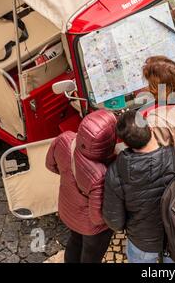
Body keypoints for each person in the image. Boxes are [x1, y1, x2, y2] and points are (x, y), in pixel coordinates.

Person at [103, 111, 175, 263]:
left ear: (126, 143)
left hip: (143, 243)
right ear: (151, 128)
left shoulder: (116, 172)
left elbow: (115, 221)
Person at [46, 110, 117, 263]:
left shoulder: (64, 139)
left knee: (75, 241)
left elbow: (50, 165)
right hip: (90, 228)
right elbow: (97, 218)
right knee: (91, 255)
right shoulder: (99, 174)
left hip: (67, 209)